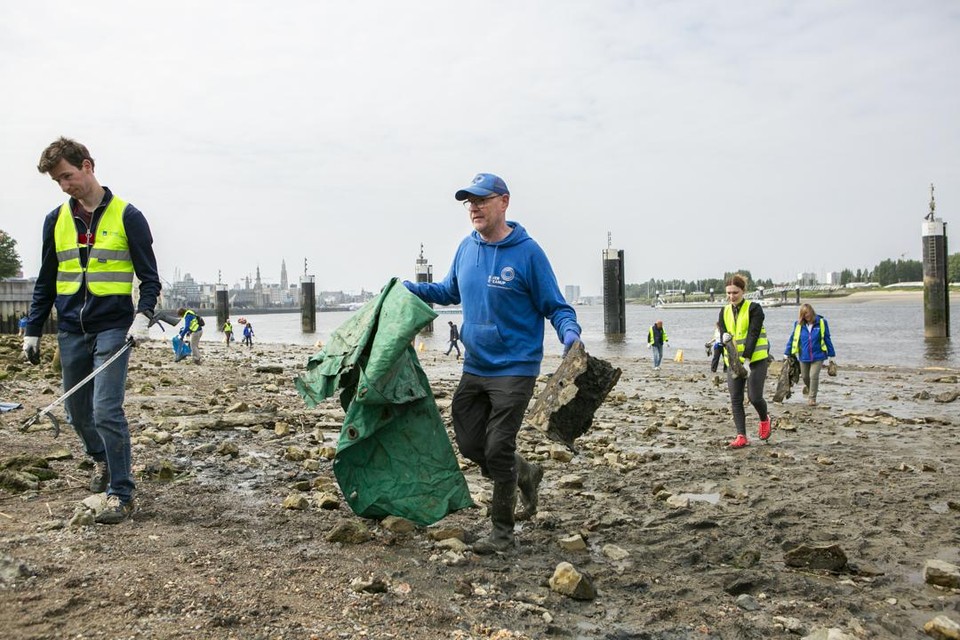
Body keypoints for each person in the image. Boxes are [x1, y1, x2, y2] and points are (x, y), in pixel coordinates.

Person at [403, 172, 582, 554]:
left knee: (498, 445)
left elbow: (556, 305)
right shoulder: (466, 249)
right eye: (469, 202)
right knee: (470, 443)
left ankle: (502, 533)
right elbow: (449, 291)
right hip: (476, 365)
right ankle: (527, 473)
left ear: (504, 202)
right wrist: (411, 288)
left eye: (481, 200)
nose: (474, 208)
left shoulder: (528, 253)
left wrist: (570, 333)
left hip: (516, 367)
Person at [22, 137, 160, 524]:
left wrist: (142, 316)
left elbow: (150, 279)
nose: (65, 186)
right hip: (69, 328)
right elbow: (46, 279)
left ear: (87, 165)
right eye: (57, 181)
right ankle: (101, 458)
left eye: (67, 176)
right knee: (76, 409)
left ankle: (122, 492)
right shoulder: (56, 221)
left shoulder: (128, 216)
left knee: (105, 409)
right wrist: (32, 329)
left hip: (114, 327)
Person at [718, 274, 771, 448]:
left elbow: (753, 334)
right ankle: (741, 436)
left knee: (754, 397)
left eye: (735, 292)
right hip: (733, 362)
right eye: (729, 293)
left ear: (743, 291)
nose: (732, 296)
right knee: (736, 398)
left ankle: (764, 419)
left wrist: (747, 359)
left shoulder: (754, 309)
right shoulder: (724, 311)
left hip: (755, 360)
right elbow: (723, 334)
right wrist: (721, 338)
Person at [784, 303, 836, 406]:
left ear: (811, 311)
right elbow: (792, 338)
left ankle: (812, 398)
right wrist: (787, 352)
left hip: (818, 355)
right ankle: (810, 388)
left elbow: (827, 338)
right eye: (803, 314)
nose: (806, 316)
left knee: (813, 375)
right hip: (804, 356)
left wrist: (832, 355)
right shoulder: (798, 324)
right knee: (805, 376)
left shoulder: (822, 322)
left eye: (807, 313)